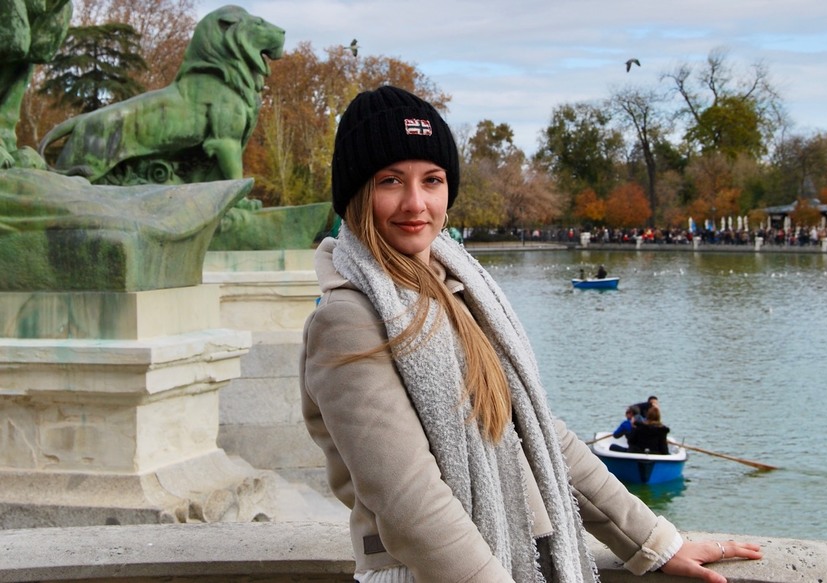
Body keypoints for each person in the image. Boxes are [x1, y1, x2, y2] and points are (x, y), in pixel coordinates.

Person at [300, 85, 761, 583]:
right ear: (356, 194)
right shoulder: (346, 320)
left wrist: (653, 541)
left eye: (431, 180)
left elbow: (536, 431)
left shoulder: (458, 289)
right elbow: (409, 502)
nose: (416, 202)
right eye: (391, 180)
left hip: (511, 556)